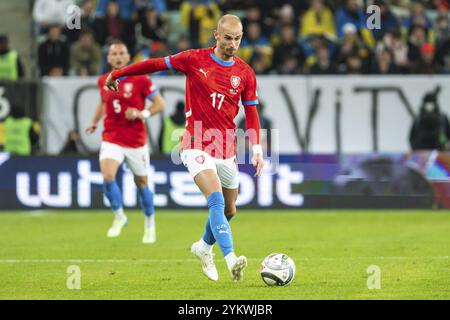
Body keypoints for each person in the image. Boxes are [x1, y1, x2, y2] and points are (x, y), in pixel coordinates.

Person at [105, 15, 264, 282]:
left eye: (237, 39)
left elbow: (251, 113)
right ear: (216, 35)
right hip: (195, 142)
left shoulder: (245, 72)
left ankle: (203, 247)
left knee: (229, 209)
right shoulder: (193, 59)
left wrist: (257, 147)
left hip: (226, 148)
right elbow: (155, 64)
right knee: (214, 199)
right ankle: (231, 259)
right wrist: (118, 73)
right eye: (227, 38)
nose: (232, 44)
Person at [85, 40, 165, 244]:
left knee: (142, 185)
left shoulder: (142, 80)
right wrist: (94, 121)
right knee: (107, 175)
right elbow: (103, 102)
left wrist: (141, 113)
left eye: (122, 53)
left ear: (128, 57)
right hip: (112, 136)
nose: (118, 57)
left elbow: (160, 104)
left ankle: (150, 225)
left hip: (136, 141)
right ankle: (120, 217)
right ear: (108, 58)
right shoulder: (104, 79)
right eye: (114, 54)